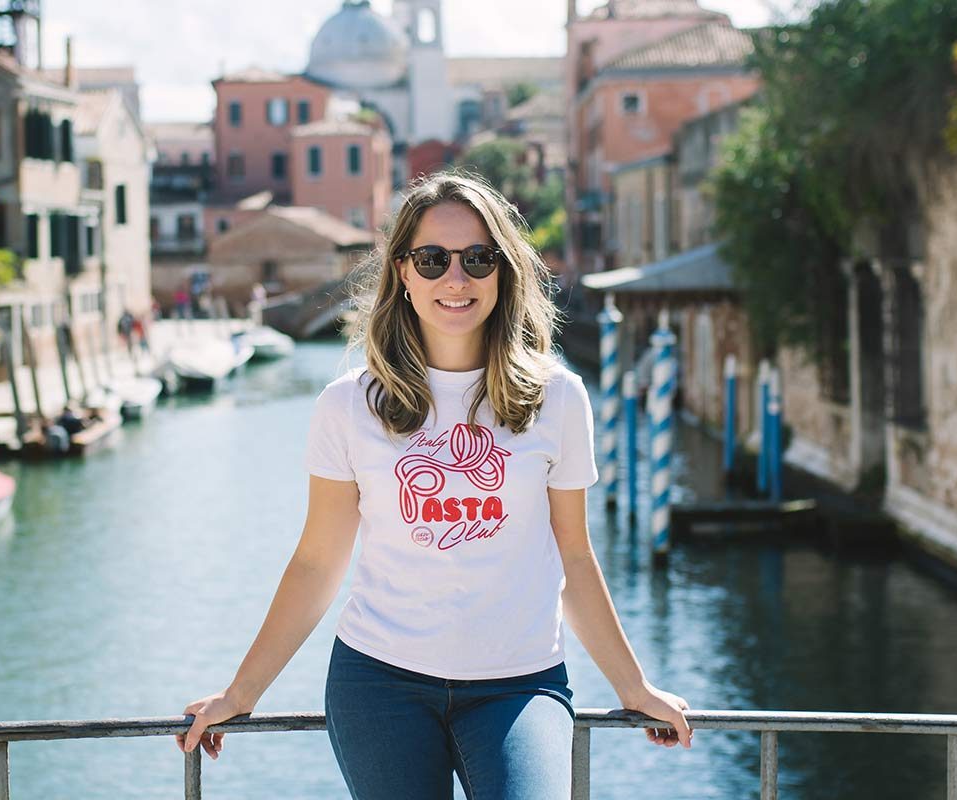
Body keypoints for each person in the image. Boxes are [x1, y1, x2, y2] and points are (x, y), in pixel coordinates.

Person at [176, 172, 693, 798]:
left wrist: (633, 689)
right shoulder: (349, 406)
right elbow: (317, 561)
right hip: (379, 683)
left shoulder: (558, 397)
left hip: (519, 683)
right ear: (403, 272)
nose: (457, 278)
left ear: (504, 272)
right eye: (433, 260)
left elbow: (574, 555)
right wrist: (243, 691)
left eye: (479, 259)